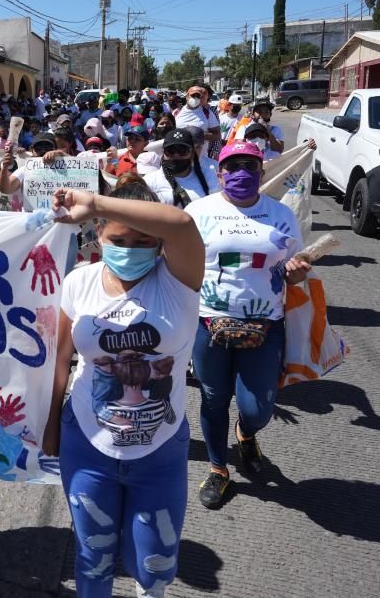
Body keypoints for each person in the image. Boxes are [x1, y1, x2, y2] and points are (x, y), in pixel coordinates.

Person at [43, 176, 204, 598]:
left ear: (159, 242)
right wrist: (50, 426)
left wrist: (97, 202)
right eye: (119, 239)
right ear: (99, 234)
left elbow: (183, 225)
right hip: (88, 448)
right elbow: (61, 358)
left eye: (142, 242)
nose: (130, 250)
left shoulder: (180, 281)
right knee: (92, 559)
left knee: (154, 565)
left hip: (161, 454)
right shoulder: (78, 282)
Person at [185, 141, 309, 510]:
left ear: (262, 171)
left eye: (250, 166)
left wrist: (298, 274)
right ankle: (218, 468)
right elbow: (179, 264)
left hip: (265, 327)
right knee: (213, 397)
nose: (241, 173)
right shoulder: (197, 211)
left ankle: (246, 431)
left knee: (258, 408)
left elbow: (296, 269)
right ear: (219, 172)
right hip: (209, 324)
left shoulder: (280, 215)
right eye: (233, 166)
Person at [144, 129, 220, 208]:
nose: (176, 155)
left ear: (192, 153)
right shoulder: (150, 181)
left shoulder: (209, 176)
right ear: (163, 153)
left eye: (182, 151)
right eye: (170, 151)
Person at [173, 86, 221, 162]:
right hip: (180, 158)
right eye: (193, 95)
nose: (196, 98)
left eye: (198, 96)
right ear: (187, 96)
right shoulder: (177, 113)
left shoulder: (207, 113)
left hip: (201, 159)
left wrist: (199, 135)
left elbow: (217, 135)